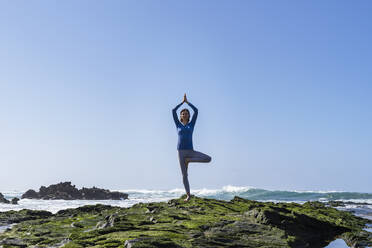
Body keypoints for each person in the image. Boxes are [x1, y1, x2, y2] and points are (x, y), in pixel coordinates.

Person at [172, 94, 212, 202]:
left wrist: (187, 102)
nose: (184, 114)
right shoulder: (178, 125)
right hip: (180, 152)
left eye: (186, 113)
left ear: (189, 116)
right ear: (180, 116)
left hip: (191, 151)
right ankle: (188, 195)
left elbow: (196, 111)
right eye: (183, 113)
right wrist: (182, 102)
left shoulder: (191, 124)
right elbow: (173, 111)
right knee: (184, 175)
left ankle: (189, 160)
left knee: (208, 159)